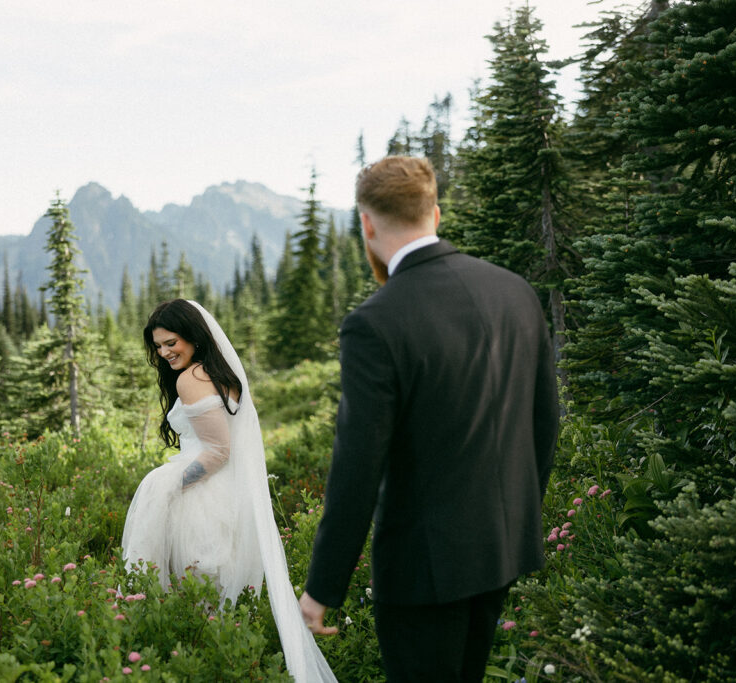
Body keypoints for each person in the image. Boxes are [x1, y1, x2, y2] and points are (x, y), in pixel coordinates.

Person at [298, 156, 559, 681]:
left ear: (367, 224)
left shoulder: (375, 323)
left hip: (424, 568)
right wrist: (515, 516)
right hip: (501, 548)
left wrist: (323, 587)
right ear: (433, 213)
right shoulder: (515, 291)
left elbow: (358, 466)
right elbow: (545, 422)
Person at [122, 299, 335, 682]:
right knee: (215, 608)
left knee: (192, 608)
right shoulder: (222, 374)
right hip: (228, 500)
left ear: (193, 336)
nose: (164, 352)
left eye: (171, 342)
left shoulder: (191, 379)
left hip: (200, 501)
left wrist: (169, 486)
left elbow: (218, 452)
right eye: (158, 346)